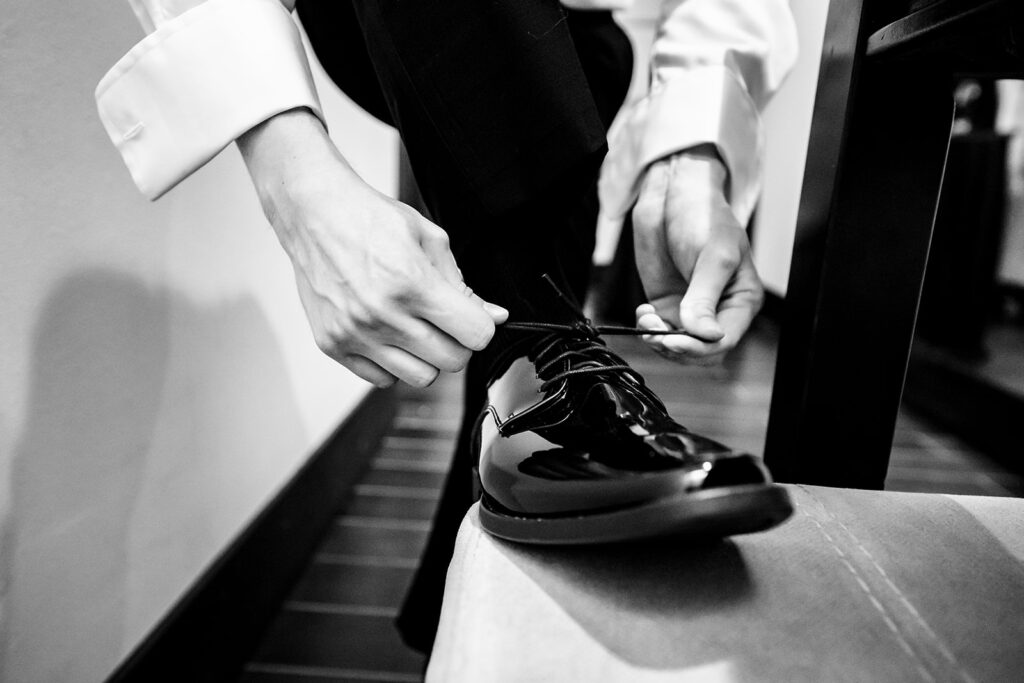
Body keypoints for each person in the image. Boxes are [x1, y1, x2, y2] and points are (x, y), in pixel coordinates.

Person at [97, 0, 798, 652]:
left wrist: (692, 159)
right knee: (525, 275)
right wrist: (296, 185)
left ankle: (491, 496)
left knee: (587, 69)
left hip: (578, 32)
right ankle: (546, 370)